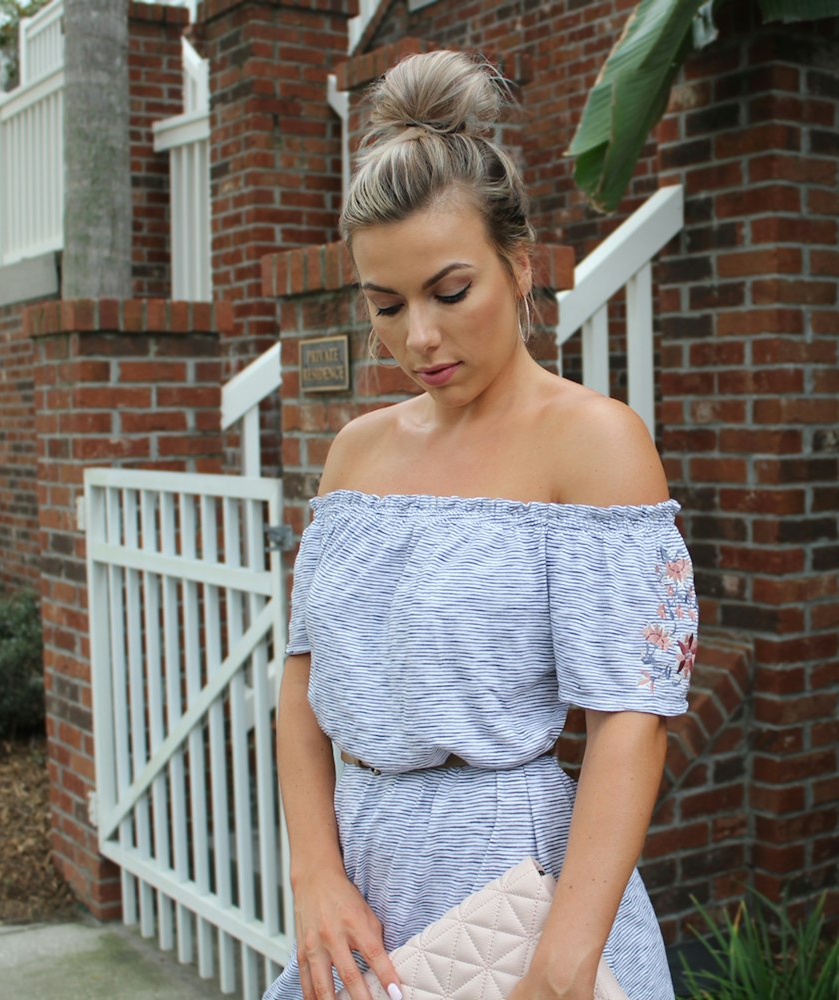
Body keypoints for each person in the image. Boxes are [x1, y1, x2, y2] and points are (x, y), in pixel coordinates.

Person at [265, 50, 698, 1000]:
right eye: (386, 305)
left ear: (520, 264)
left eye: (448, 292)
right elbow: (300, 694)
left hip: (523, 895)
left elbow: (632, 722)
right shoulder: (356, 454)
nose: (417, 336)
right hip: (359, 903)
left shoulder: (594, 444)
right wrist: (315, 876)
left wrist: (567, 960)